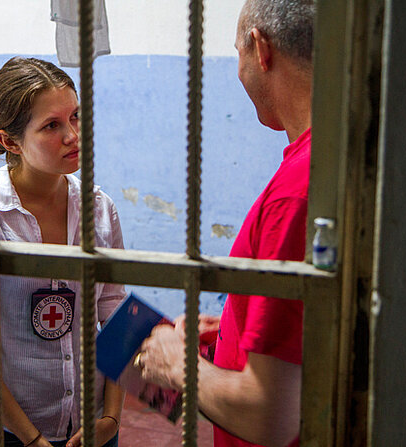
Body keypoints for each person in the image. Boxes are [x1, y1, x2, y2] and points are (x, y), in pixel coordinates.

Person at [136, 1, 315, 446]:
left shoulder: (296, 191)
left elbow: (270, 416)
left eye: (238, 53)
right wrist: (238, 328)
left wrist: (178, 365)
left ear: (261, 48)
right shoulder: (333, 162)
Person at [0, 57, 125, 447]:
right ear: (10, 141)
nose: (73, 135)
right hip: (5, 434)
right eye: (52, 126)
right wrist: (33, 439)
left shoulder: (99, 209)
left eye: (75, 116)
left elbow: (115, 317)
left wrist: (110, 417)